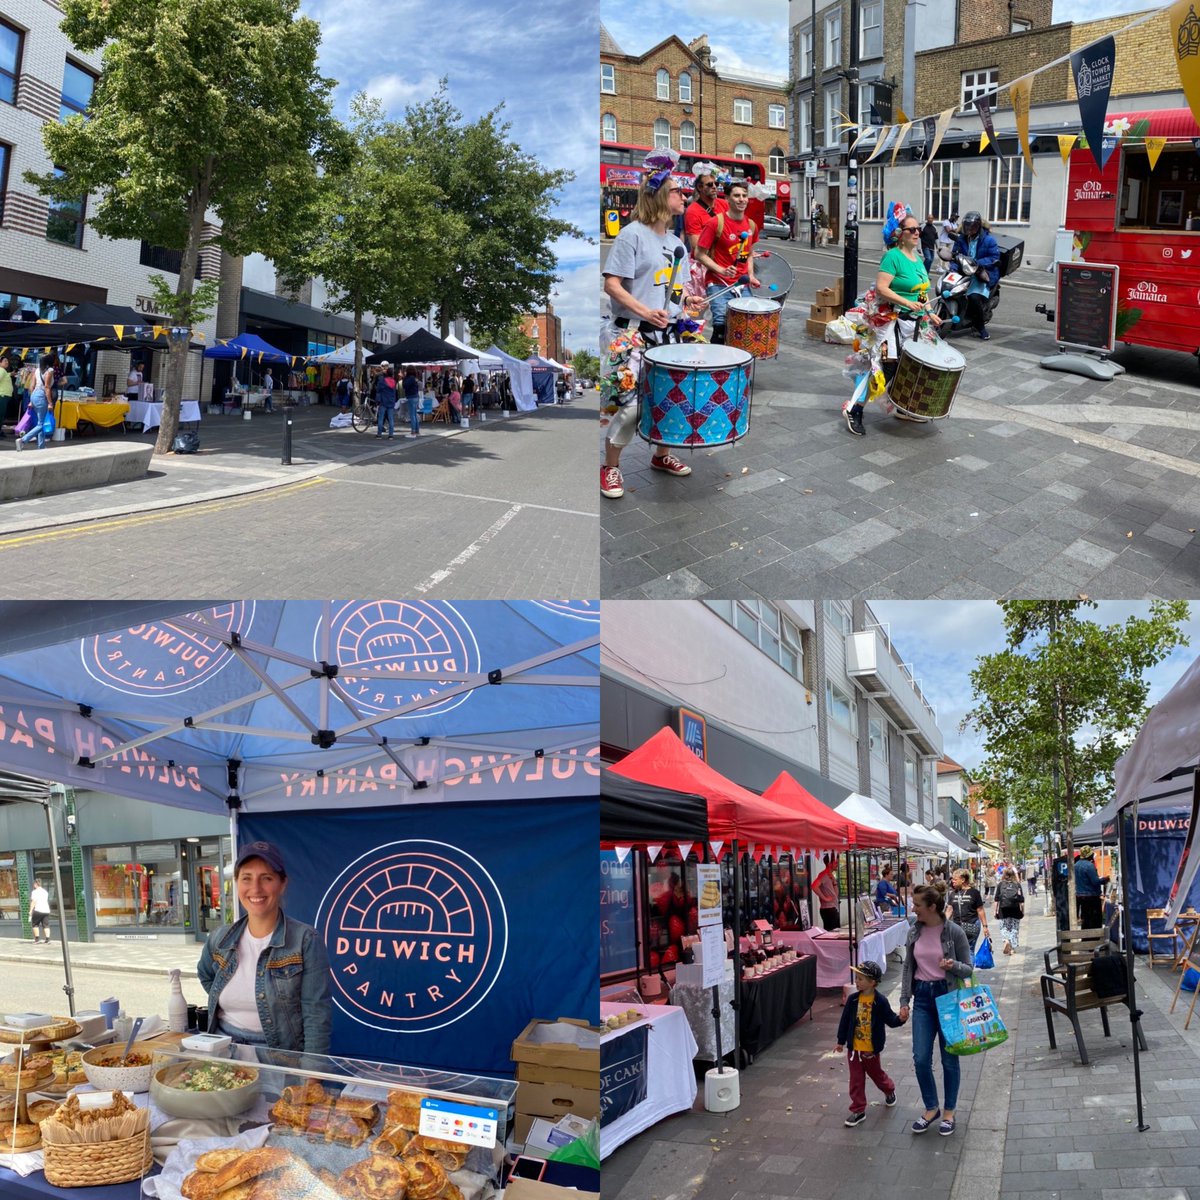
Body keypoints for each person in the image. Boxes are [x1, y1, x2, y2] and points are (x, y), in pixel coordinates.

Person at [600, 154, 698, 500]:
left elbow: (677, 290)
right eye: (677, 191)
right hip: (631, 333)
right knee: (630, 405)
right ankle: (610, 467)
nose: (684, 197)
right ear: (658, 195)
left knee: (669, 398)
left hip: (665, 334)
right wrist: (646, 311)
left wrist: (687, 304)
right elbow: (612, 285)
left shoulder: (676, 244)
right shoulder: (632, 236)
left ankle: (660, 456)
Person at [197, 840, 331, 1054]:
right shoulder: (219, 938)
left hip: (278, 1056)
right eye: (246, 878)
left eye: (266, 878)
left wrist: (311, 1076)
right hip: (223, 1050)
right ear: (237, 883)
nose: (255, 888)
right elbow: (205, 975)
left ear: (282, 883)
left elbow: (316, 1016)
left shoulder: (305, 940)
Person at [844, 212, 941, 437]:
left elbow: (923, 292)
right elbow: (882, 288)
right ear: (900, 235)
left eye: (918, 229)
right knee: (885, 367)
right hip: (889, 325)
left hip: (913, 324)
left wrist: (929, 312)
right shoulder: (893, 257)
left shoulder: (918, 260)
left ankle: (902, 406)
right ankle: (854, 409)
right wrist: (907, 302)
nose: (917, 233)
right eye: (912, 230)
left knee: (908, 366)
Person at [897, 881, 974, 1136]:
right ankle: (931, 1108)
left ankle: (949, 1111)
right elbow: (908, 966)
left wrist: (952, 965)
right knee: (920, 1058)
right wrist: (904, 1000)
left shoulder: (954, 933)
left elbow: (969, 968)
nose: (913, 908)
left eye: (917, 905)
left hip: (948, 997)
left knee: (949, 1059)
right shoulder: (913, 930)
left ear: (931, 906)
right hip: (922, 999)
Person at [835, 960, 905, 1127]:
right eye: (856, 978)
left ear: (872, 982)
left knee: (877, 1076)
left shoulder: (880, 1001)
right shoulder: (852, 1000)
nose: (857, 981)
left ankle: (889, 1090)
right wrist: (840, 1041)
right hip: (854, 1050)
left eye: (861, 979)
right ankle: (858, 1110)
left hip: (871, 1051)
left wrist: (900, 1019)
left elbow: (890, 1019)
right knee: (856, 1080)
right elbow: (844, 1022)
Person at [694, 179, 760, 345]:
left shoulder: (751, 225)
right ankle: (715, 364)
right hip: (718, 282)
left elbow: (748, 253)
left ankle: (736, 362)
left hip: (741, 283)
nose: (741, 199)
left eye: (744, 196)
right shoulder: (716, 223)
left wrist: (750, 275)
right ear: (728, 199)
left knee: (744, 325)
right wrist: (721, 270)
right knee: (721, 325)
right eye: (736, 195)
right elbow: (699, 254)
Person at [951, 211, 1001, 340]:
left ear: (978, 226)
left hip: (982, 274)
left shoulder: (989, 240)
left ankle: (980, 327)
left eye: (972, 226)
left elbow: (994, 257)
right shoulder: (961, 238)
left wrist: (976, 263)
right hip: (964, 272)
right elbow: (955, 256)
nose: (969, 229)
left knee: (973, 298)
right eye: (967, 226)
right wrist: (953, 269)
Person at [682, 168, 727, 256]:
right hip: (706, 263)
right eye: (710, 184)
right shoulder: (692, 211)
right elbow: (697, 248)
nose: (714, 186)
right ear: (700, 187)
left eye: (716, 184)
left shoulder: (724, 204)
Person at [17, 354, 55, 451]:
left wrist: (31, 401)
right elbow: (47, 387)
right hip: (42, 396)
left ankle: (41, 446)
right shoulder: (50, 371)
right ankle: (23, 440)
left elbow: (31, 386)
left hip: (34, 395)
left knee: (39, 422)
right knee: (41, 424)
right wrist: (50, 403)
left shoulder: (36, 370)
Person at [947, 868, 989, 957]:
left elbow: (980, 910)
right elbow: (949, 910)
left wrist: (985, 926)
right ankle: (964, 969)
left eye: (955, 879)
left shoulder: (974, 893)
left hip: (972, 924)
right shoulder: (953, 894)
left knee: (969, 949)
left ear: (963, 880)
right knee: (956, 950)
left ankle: (968, 970)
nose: (952, 881)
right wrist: (941, 923)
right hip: (957, 926)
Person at [1074, 846, 1109, 930]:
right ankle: (1094, 938)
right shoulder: (1089, 866)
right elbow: (1095, 881)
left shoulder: (1076, 865)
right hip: (1091, 896)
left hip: (1080, 896)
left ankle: (1086, 938)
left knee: (1085, 919)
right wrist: (1105, 879)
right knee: (1094, 920)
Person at [994, 866, 1025, 955]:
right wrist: (1022, 910)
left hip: (1003, 910)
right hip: (1015, 909)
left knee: (1004, 927)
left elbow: (996, 899)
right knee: (1014, 928)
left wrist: (995, 911)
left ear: (1004, 875)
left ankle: (1006, 940)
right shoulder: (1017, 884)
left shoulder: (1001, 884)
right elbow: (1021, 900)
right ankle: (1012, 948)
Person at [815, 854, 841, 930]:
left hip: (832, 908)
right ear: (829, 863)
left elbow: (835, 894)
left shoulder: (829, 875)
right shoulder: (824, 875)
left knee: (835, 932)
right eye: (836, 863)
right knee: (832, 934)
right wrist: (825, 898)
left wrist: (834, 882)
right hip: (828, 909)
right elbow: (814, 886)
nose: (837, 865)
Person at [374, 364, 397, 439]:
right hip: (391, 401)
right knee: (391, 418)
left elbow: (378, 390)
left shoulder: (382, 381)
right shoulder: (394, 382)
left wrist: (377, 400)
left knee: (381, 418)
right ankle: (391, 435)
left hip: (383, 401)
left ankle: (379, 434)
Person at [1051, 850, 1071, 932]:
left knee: (1061, 912)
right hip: (1067, 888)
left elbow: (1054, 879)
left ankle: (1062, 930)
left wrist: (1055, 892)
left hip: (1060, 888)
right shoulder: (1071, 861)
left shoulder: (1057, 862)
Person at [29, 877, 51, 945]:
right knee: (46, 925)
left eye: (34, 883)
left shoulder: (34, 892)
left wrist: (30, 910)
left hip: (38, 910)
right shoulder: (45, 892)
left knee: (35, 924)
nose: (33, 885)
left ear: (36, 884)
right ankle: (47, 939)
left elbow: (33, 902)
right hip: (46, 910)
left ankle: (37, 939)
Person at [400, 367, 421, 438]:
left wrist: (403, 378)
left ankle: (413, 432)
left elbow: (404, 385)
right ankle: (417, 431)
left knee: (412, 415)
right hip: (415, 397)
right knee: (414, 414)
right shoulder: (414, 378)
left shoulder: (410, 378)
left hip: (411, 397)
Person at [0, 352, 11, 439]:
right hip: (2, 396)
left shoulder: (4, 371)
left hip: (4, 396)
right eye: (5, 361)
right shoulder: (1, 370)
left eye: (7, 361)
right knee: (0, 415)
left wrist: (11, 374)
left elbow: (6, 375)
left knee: (2, 415)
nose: (7, 362)